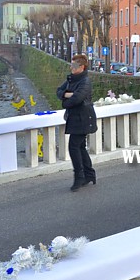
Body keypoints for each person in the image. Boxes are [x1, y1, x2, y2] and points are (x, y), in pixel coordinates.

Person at [57, 53, 98, 191]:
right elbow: (58, 91)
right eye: (71, 65)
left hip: (84, 118)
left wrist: (66, 99)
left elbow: (77, 99)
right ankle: (89, 174)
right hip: (75, 117)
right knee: (80, 147)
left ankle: (79, 177)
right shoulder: (71, 79)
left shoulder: (85, 81)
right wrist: (67, 94)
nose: (71, 68)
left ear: (82, 66)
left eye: (74, 65)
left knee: (74, 147)